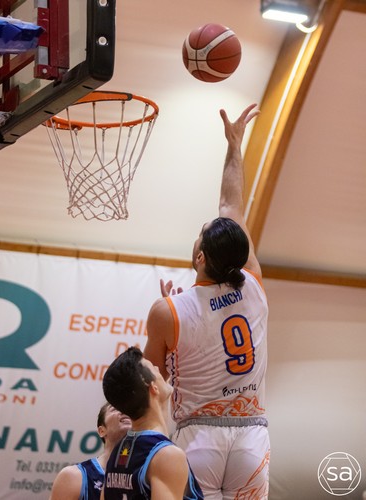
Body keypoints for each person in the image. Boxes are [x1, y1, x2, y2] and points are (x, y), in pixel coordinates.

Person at [143, 103, 270, 499]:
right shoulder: (253, 282)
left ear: (200, 257)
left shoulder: (169, 311)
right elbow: (231, 206)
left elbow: (151, 384)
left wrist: (172, 322)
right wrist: (235, 146)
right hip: (252, 435)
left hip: (199, 436)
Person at [101, 346, 204, 499]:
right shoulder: (167, 455)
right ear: (153, 388)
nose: (157, 367)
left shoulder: (117, 452)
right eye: (152, 367)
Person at [50, 402, 132, 500]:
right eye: (115, 408)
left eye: (130, 410)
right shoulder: (73, 477)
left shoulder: (144, 475)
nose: (125, 411)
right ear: (102, 431)